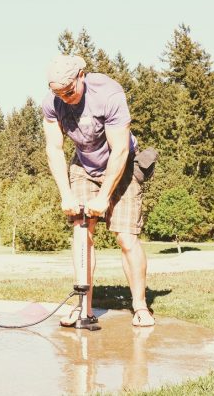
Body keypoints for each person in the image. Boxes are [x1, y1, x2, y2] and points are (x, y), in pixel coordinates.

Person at [42, 54, 155, 327]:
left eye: (69, 91)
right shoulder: (52, 102)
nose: (65, 97)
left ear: (82, 75)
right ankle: (83, 308)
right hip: (83, 166)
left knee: (126, 238)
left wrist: (104, 196)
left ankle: (140, 307)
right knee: (82, 234)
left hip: (122, 166)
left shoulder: (109, 94)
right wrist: (66, 195)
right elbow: (55, 149)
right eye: (59, 93)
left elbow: (120, 150)